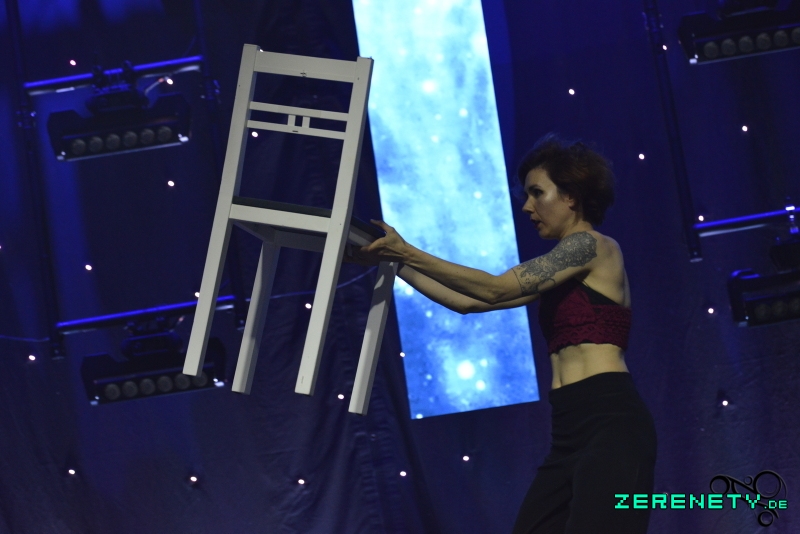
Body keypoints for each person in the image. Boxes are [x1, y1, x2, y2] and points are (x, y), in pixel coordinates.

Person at [351, 134, 657, 534]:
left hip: (610, 422)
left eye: (537, 193)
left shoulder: (590, 246)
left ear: (571, 196)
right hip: (568, 427)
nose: (527, 206)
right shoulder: (562, 265)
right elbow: (469, 302)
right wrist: (391, 262)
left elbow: (495, 288)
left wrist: (406, 251)